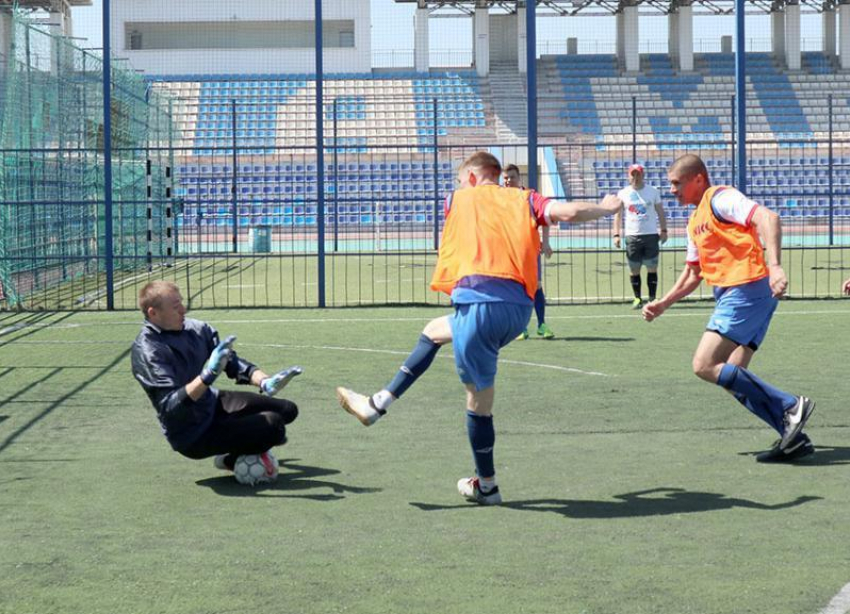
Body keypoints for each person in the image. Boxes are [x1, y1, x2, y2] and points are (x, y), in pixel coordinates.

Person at [336, 152, 621, 505]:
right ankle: (379, 402)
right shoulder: (526, 198)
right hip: (518, 312)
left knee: (479, 406)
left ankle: (487, 486)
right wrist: (607, 208)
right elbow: (568, 213)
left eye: (461, 180)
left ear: (471, 177)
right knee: (435, 330)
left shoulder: (459, 198)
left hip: (478, 307)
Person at [642, 154, 815, 463]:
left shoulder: (720, 198)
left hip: (745, 289)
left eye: (676, 183)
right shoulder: (694, 221)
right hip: (746, 293)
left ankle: (789, 406)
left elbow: (769, 218)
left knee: (704, 365)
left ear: (698, 179)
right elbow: (693, 273)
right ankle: (792, 436)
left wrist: (775, 266)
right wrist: (663, 303)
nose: (672, 190)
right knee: (734, 375)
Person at [131, 281, 303, 475]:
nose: (183, 310)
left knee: (288, 410)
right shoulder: (147, 351)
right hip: (192, 433)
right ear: (153, 313)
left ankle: (247, 441)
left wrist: (263, 380)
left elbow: (230, 361)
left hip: (213, 402)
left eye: (181, 302)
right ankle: (229, 459)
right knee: (274, 426)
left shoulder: (196, 329)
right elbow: (171, 406)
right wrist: (207, 376)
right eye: (175, 307)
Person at [502, 164, 555, 339]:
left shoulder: (529, 197)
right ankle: (521, 328)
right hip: (508, 251)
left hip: (530, 251)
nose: (509, 180)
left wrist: (545, 243)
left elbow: (545, 219)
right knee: (515, 287)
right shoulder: (500, 199)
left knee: (536, 285)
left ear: (519, 179)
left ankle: (541, 325)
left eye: (512, 177)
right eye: (506, 178)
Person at [614, 163, 668, 309]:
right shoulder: (623, 193)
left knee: (652, 268)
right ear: (628, 176)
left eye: (638, 174)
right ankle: (637, 298)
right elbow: (618, 216)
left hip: (650, 235)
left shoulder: (653, 191)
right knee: (634, 269)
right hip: (632, 236)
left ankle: (652, 298)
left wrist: (664, 230)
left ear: (643, 175)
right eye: (633, 174)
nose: (636, 177)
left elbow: (660, 212)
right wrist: (616, 234)